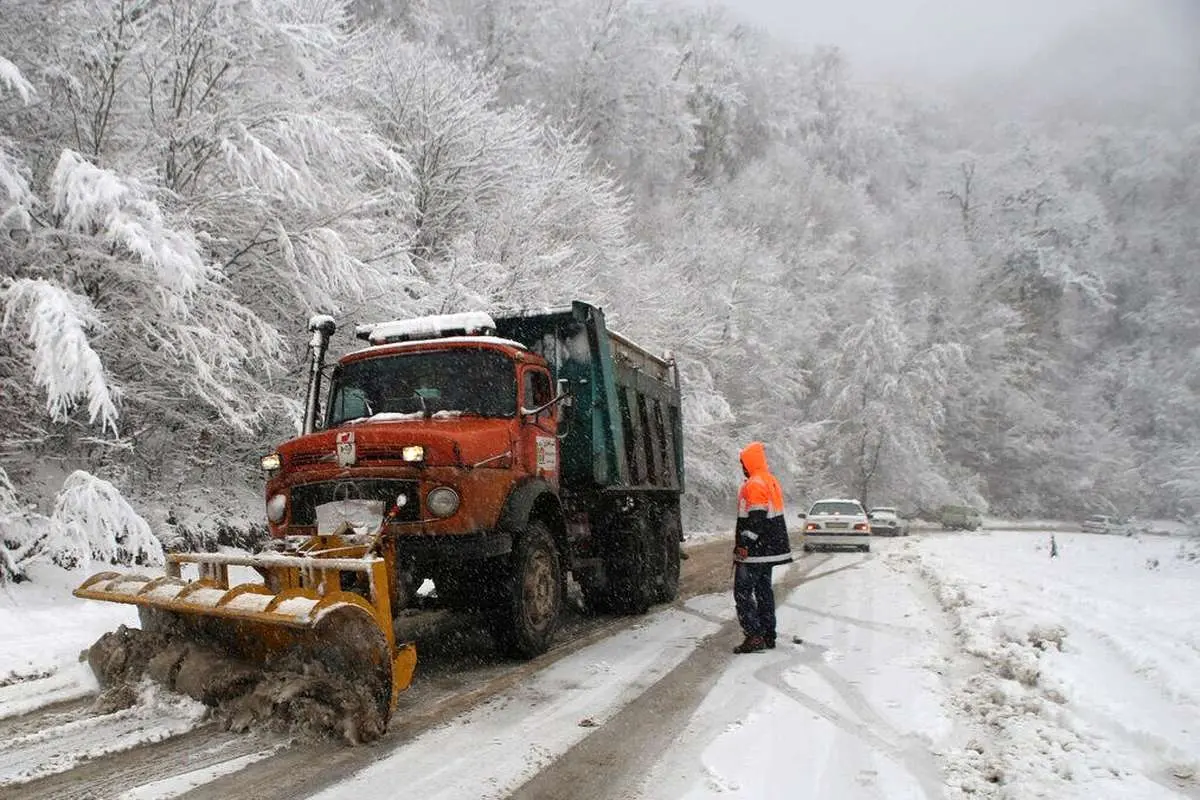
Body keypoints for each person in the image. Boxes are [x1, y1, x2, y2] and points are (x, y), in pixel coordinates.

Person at [732, 441, 793, 654]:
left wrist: (745, 544)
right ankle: (768, 634)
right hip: (769, 549)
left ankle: (754, 635)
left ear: (749, 462)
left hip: (755, 551)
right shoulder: (770, 480)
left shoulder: (755, 484)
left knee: (742, 592)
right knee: (764, 591)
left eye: (743, 463)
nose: (742, 467)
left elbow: (756, 519)